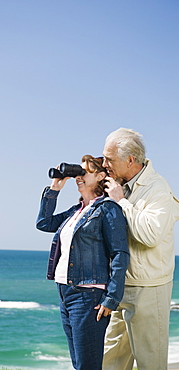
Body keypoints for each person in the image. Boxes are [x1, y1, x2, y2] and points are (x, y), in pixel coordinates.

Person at [36, 155, 130, 370]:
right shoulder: (76, 211)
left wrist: (111, 298)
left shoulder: (107, 208)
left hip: (88, 296)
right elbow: (43, 223)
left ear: (100, 176)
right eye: (77, 172)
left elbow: (119, 253)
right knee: (79, 363)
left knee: (87, 365)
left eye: (84, 172)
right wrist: (55, 188)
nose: (78, 176)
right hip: (65, 292)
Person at [102, 128, 179, 370]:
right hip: (119, 286)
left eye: (109, 160)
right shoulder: (120, 185)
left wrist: (121, 202)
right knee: (110, 361)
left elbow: (150, 235)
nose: (104, 165)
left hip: (149, 288)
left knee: (150, 362)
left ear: (130, 160)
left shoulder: (158, 190)